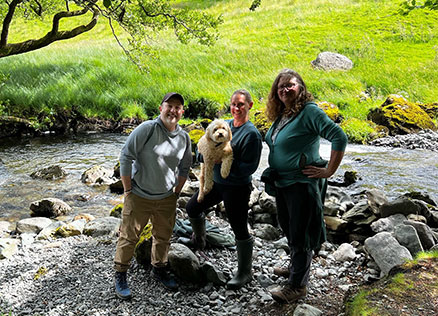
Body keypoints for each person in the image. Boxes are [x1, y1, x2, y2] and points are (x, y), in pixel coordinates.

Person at [264, 69, 347, 304]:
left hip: (302, 183)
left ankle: (297, 286)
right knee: (289, 227)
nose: (284, 89)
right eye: (280, 87)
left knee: (301, 233)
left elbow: (339, 137)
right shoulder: (284, 115)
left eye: (290, 85)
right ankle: (295, 268)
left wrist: (329, 170)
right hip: (284, 182)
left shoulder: (309, 112)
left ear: (301, 87)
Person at [114, 92, 192, 299]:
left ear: (182, 112)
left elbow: (185, 167)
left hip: (166, 197)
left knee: (163, 237)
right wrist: (128, 189)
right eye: (169, 106)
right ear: (161, 108)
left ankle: (159, 269)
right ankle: (121, 273)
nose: (173, 111)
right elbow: (126, 155)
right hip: (139, 195)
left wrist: (177, 191)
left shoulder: (184, 137)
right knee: (129, 237)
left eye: (178, 107)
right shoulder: (146, 129)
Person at [183, 89, 263, 290]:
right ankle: (199, 240)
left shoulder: (251, 134)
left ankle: (245, 272)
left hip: (237, 187)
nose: (236, 108)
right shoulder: (223, 125)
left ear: (250, 106)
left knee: (238, 227)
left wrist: (223, 163)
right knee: (192, 207)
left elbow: (250, 167)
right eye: (234, 104)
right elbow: (203, 146)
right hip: (216, 184)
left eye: (241, 105)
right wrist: (204, 158)